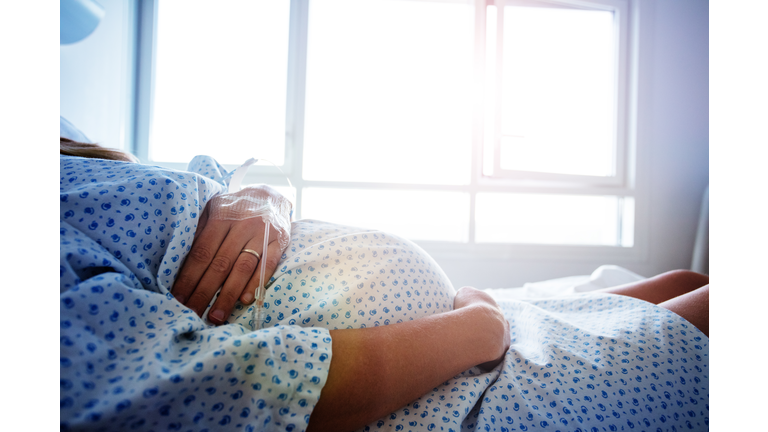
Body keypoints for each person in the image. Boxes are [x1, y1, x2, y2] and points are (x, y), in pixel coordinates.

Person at [60, 140, 708, 432]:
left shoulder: (66, 165)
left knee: (686, 280)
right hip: (460, 389)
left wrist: (262, 199)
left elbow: (204, 183)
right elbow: (234, 389)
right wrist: (477, 330)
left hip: (472, 340)